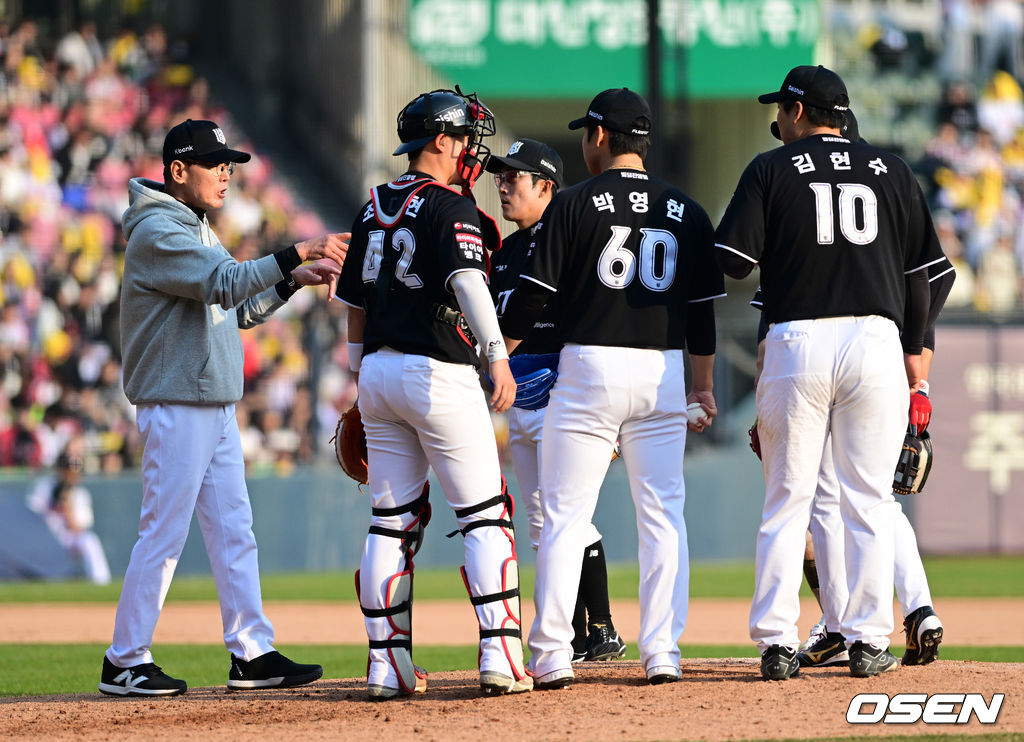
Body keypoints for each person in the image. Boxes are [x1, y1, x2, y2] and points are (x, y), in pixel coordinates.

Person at [99, 118, 348, 697]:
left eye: (228, 164)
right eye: (215, 164)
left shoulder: (195, 226)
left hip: (211, 402)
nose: (226, 173)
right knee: (163, 535)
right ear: (178, 170)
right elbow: (225, 284)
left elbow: (239, 307)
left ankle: (252, 652)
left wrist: (291, 281)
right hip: (176, 402)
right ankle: (124, 659)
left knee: (236, 531)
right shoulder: (157, 230)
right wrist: (296, 251)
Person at [715, 65, 947, 679]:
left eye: (781, 109)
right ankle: (869, 640)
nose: (778, 119)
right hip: (876, 341)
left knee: (787, 500)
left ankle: (776, 643)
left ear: (796, 111)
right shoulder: (892, 169)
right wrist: (915, 356)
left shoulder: (770, 168)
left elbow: (732, 261)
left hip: (799, 338)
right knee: (869, 500)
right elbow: (923, 276)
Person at [499, 88, 724, 688]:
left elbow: (531, 299)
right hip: (662, 370)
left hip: (589, 366)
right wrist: (702, 387)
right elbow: (702, 313)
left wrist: (496, 358)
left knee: (563, 515)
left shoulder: (572, 203)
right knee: (663, 515)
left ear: (599, 136)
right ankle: (662, 652)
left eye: (586, 132)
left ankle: (551, 654)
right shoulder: (687, 210)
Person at [336, 88, 532, 700]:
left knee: (389, 524)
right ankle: (501, 657)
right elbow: (469, 283)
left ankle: (386, 666)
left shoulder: (371, 206)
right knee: (485, 516)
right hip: (437, 372)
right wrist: (497, 356)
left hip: (378, 373)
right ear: (441, 141)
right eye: (466, 137)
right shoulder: (450, 206)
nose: (471, 149)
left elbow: (352, 305)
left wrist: (360, 378)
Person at [485, 138, 626, 663]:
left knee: (566, 516)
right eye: (501, 177)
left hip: (564, 392)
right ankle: (578, 631)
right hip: (519, 397)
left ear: (546, 186)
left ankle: (600, 628)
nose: (503, 185)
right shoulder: (506, 253)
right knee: (544, 523)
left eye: (514, 177)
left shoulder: (570, 238)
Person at [26, 435, 111, 585]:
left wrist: (67, 506)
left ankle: (101, 583)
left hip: (67, 538)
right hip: (45, 536)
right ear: (60, 469)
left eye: (74, 469)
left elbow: (78, 528)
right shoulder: (44, 487)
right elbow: (30, 517)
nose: (71, 473)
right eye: (67, 468)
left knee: (89, 540)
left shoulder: (80, 494)